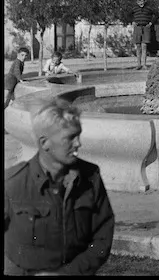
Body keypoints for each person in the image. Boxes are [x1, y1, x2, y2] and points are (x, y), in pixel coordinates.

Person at [4, 97, 114, 276]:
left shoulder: (90, 177)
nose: (78, 143)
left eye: (78, 135)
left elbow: (102, 238)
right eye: (70, 137)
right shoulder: (13, 183)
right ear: (44, 143)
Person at [131, 0, 156, 70]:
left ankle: (144, 64)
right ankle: (138, 64)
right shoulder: (134, 9)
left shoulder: (149, 8)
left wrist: (151, 23)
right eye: (139, 1)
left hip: (146, 28)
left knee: (144, 46)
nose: (140, 3)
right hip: (137, 28)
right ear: (136, 2)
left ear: (144, 1)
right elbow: (128, 15)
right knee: (138, 46)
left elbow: (157, 15)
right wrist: (132, 21)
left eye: (142, 1)